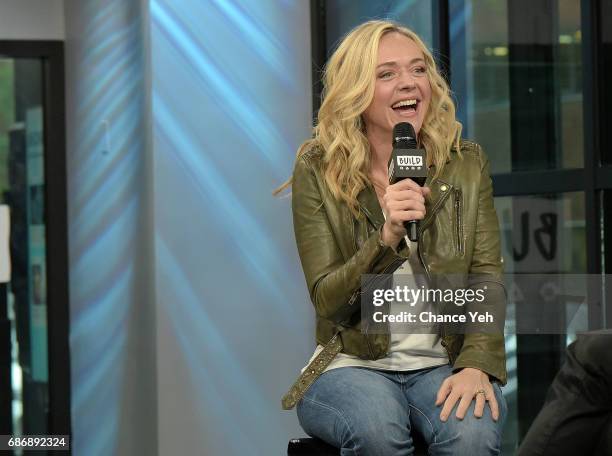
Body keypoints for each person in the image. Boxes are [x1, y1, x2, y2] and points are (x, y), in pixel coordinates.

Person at [278, 20, 507, 455]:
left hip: (442, 360)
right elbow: (328, 299)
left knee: (473, 433)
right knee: (377, 428)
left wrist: (478, 362)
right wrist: (385, 240)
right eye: (387, 74)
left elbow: (485, 276)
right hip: (350, 362)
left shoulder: (465, 164)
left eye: (418, 70)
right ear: (357, 90)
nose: (409, 84)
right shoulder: (317, 168)